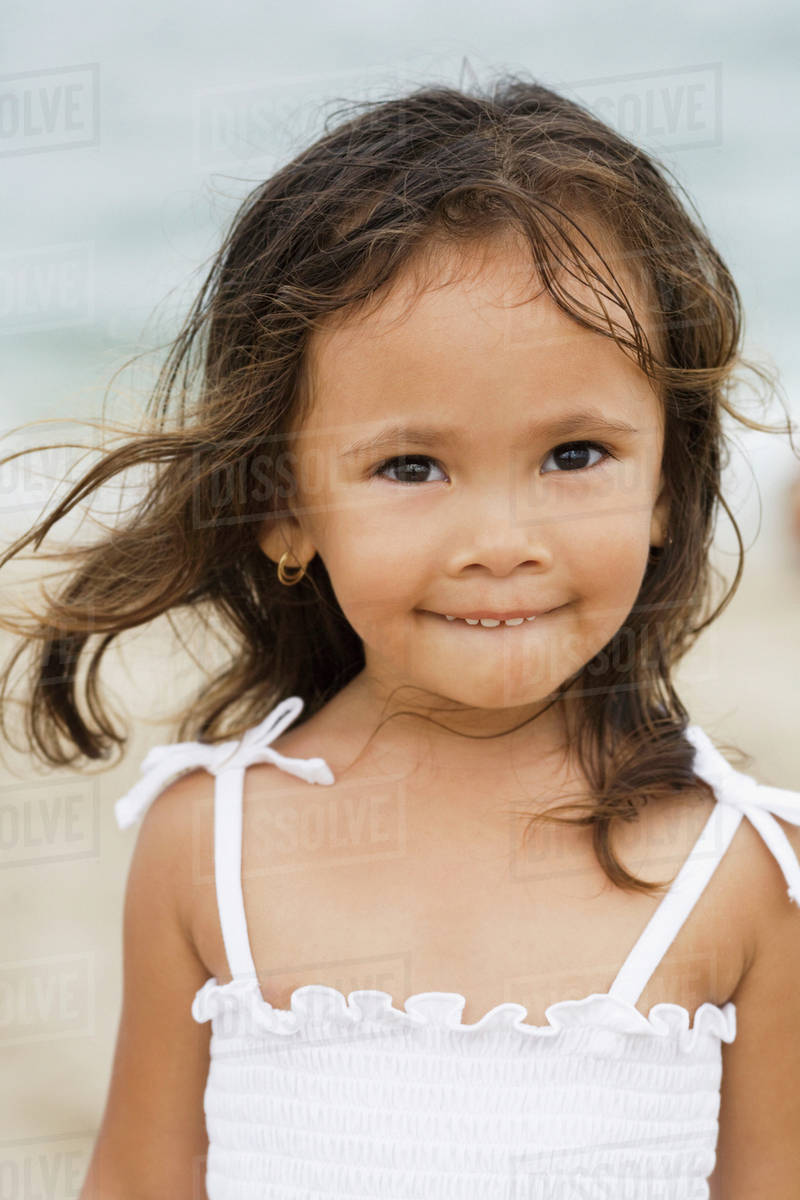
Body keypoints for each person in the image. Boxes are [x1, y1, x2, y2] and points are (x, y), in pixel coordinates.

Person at [2, 73, 799, 1199]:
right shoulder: (205, 845)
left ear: (669, 477)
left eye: (574, 455)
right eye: (409, 467)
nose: (500, 539)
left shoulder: (739, 876)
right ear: (283, 502)